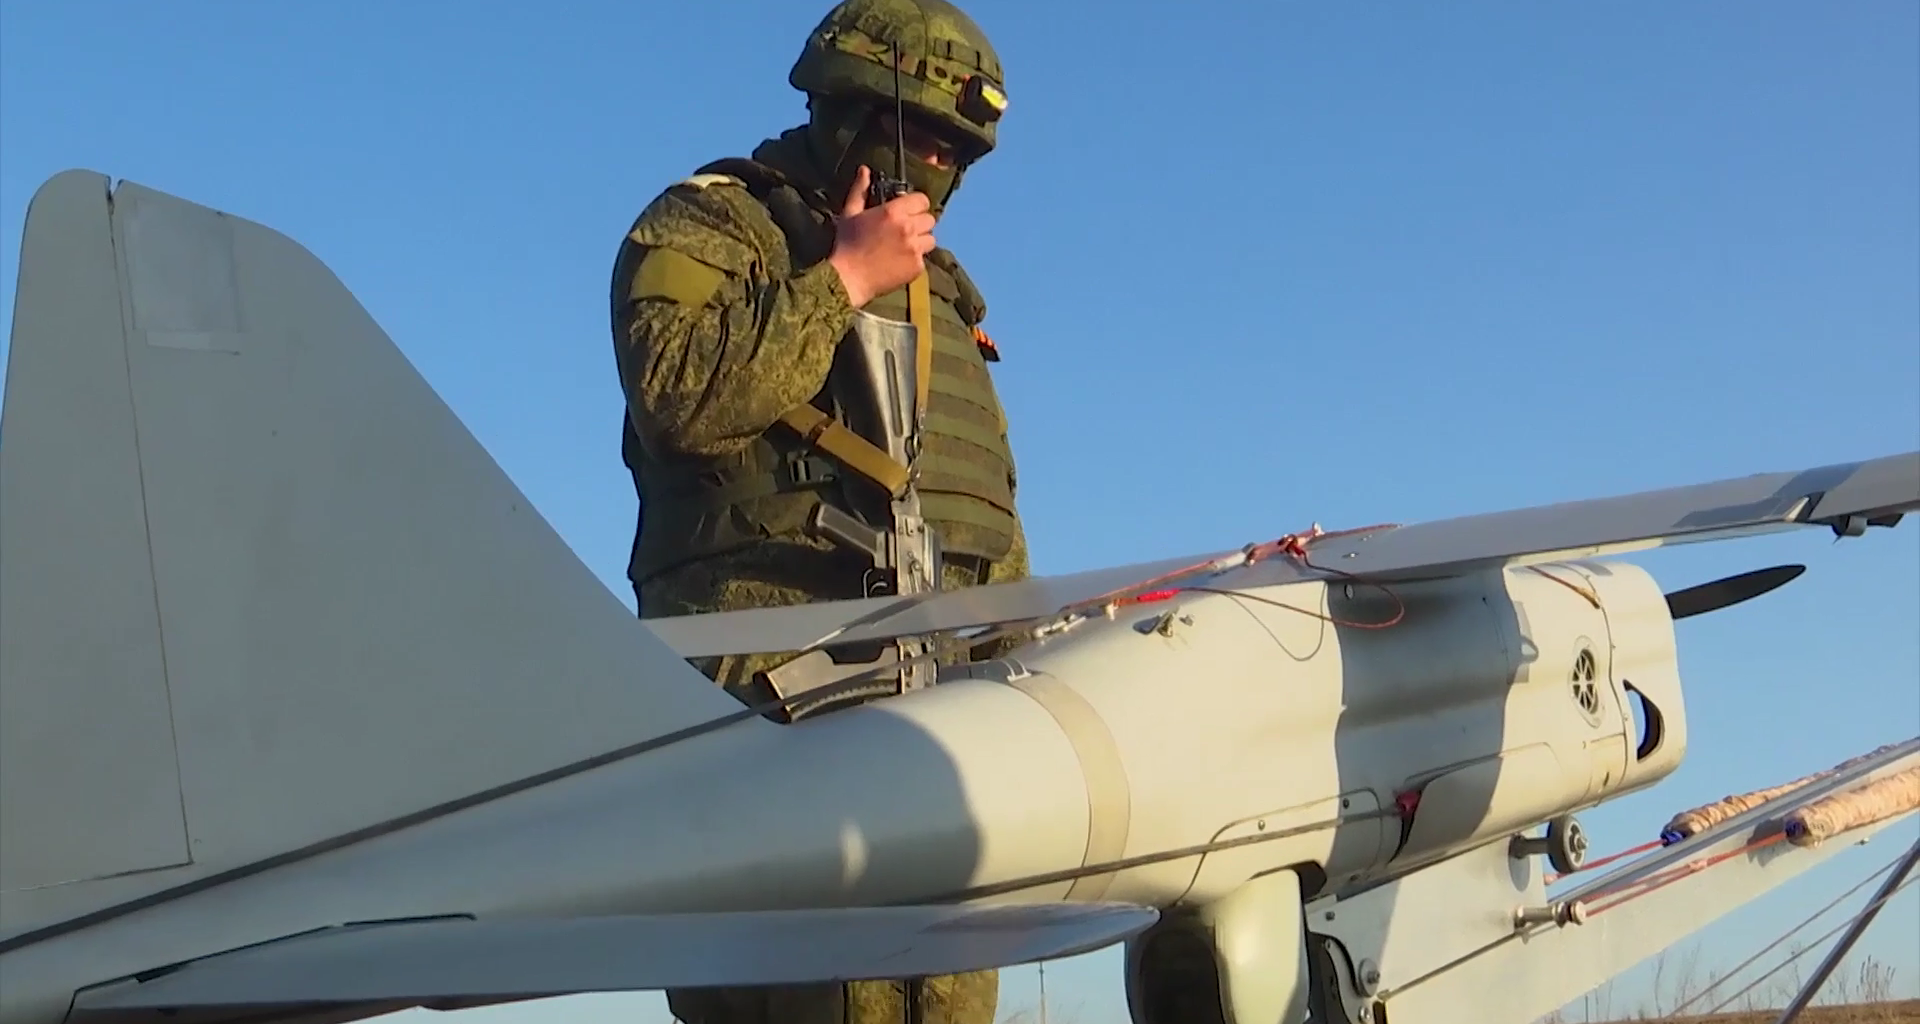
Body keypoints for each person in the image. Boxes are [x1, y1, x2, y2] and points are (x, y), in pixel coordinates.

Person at [607, 1, 1026, 1023]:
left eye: (956, 150)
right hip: (769, 721)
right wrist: (840, 278)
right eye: (919, 134)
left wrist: (1024, 676)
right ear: (844, 108)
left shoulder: (944, 296)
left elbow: (980, 512)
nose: (937, 166)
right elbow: (676, 397)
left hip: (945, 739)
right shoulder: (714, 223)